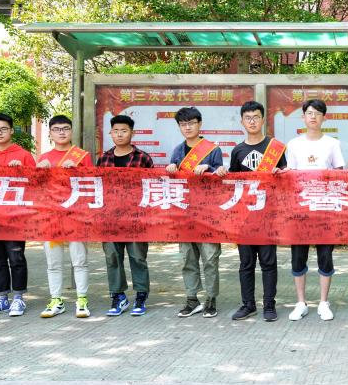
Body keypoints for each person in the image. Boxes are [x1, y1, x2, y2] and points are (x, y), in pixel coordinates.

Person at [215, 101, 286, 323]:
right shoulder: (238, 150)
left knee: (268, 263)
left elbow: (286, 177)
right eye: (248, 118)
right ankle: (248, 304)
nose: (252, 121)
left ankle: (269, 305)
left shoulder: (275, 148)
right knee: (246, 263)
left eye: (256, 117)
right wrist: (222, 172)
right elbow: (233, 183)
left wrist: (281, 173)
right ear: (242, 121)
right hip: (244, 217)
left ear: (263, 119)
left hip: (268, 216)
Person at [284, 99, 345, 321]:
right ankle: (300, 302)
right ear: (303, 117)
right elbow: (289, 177)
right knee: (298, 257)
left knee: (325, 256)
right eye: (309, 113)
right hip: (300, 210)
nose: (313, 117)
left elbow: (339, 175)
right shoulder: (293, 144)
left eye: (318, 113)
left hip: (324, 210)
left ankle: (323, 302)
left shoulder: (332, 144)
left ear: (324, 118)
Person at [166, 107, 224, 318]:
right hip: (184, 214)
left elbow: (221, 177)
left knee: (210, 258)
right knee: (187, 259)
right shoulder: (177, 151)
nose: (187, 127)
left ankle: (211, 298)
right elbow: (173, 182)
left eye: (191, 123)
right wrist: (171, 169)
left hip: (208, 214)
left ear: (200, 124)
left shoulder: (213, 150)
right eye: (183, 124)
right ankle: (192, 298)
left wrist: (209, 169)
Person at [0, 113, 36, 317]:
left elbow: (37, 184)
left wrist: (22, 171)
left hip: (16, 217)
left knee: (16, 257)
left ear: (11, 130)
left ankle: (18, 298)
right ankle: (1, 297)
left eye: (3, 129)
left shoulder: (24, 155)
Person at [96, 114, 155, 316]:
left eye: (124, 130)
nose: (119, 134)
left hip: (136, 218)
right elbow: (98, 188)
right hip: (110, 218)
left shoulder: (143, 158)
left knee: (138, 257)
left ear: (132, 133)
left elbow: (151, 188)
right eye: (116, 131)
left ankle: (141, 296)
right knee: (112, 257)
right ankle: (118, 296)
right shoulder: (103, 159)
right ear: (111, 133)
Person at [36, 115, 93, 319]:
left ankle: (82, 299)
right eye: (57, 129)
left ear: (72, 131)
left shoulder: (82, 156)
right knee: (53, 262)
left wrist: (78, 170)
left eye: (66, 128)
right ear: (50, 133)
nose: (61, 132)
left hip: (75, 216)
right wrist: (39, 172)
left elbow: (92, 184)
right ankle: (56, 300)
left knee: (79, 260)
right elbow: (37, 190)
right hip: (51, 217)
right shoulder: (43, 158)